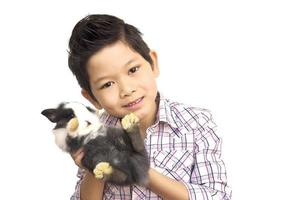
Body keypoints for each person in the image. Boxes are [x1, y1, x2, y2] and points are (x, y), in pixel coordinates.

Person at [68, 14, 231, 200]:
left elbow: (217, 196)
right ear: (92, 98)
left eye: (133, 70)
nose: (127, 90)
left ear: (153, 63)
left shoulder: (196, 123)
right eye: (107, 84)